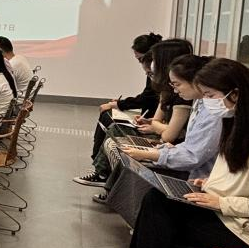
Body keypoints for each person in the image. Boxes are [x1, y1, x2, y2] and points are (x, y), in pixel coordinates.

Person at [111, 58, 249, 248]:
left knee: (168, 224)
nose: (207, 102)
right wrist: (208, 184)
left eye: (210, 95)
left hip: (244, 227)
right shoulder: (237, 124)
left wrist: (222, 203)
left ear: (235, 94)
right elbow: (238, 177)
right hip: (229, 211)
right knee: (157, 199)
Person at [95, 55, 222, 220]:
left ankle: (134, 215)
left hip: (195, 173)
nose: (175, 90)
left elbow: (191, 154)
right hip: (183, 159)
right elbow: (191, 145)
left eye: (177, 84)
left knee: (135, 168)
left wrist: (150, 153)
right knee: (121, 148)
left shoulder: (212, 111)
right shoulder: (200, 103)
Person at [75, 39, 193, 187]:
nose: (151, 66)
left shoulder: (182, 97)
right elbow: (156, 121)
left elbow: (168, 135)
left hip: (170, 146)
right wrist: (155, 125)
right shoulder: (167, 90)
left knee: (115, 135)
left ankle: (105, 176)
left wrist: (156, 126)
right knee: (113, 127)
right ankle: (103, 173)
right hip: (163, 138)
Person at [92, 32, 163, 159]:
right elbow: (148, 97)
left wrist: (118, 104)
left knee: (109, 120)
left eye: (140, 59)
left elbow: (147, 98)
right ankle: (97, 159)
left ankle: (99, 163)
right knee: (107, 116)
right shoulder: (157, 76)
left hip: (151, 125)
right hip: (148, 119)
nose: (140, 63)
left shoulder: (163, 81)